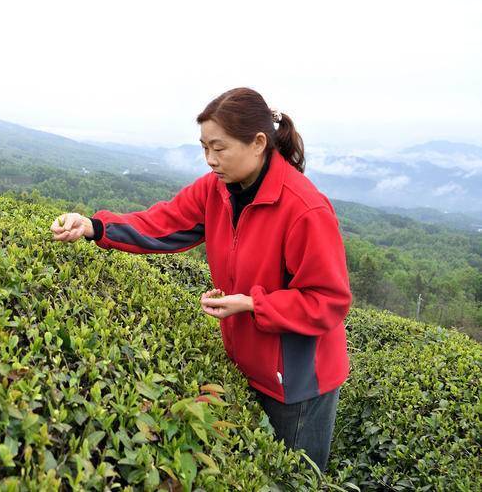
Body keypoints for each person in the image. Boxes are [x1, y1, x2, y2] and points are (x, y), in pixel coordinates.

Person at [50, 87, 351, 472]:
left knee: (292, 478)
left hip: (298, 385)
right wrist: (94, 226)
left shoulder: (304, 209)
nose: (210, 159)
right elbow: (162, 223)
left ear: (259, 143)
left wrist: (252, 303)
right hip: (247, 364)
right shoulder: (217, 190)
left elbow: (328, 301)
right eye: (204, 147)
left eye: (219, 148)